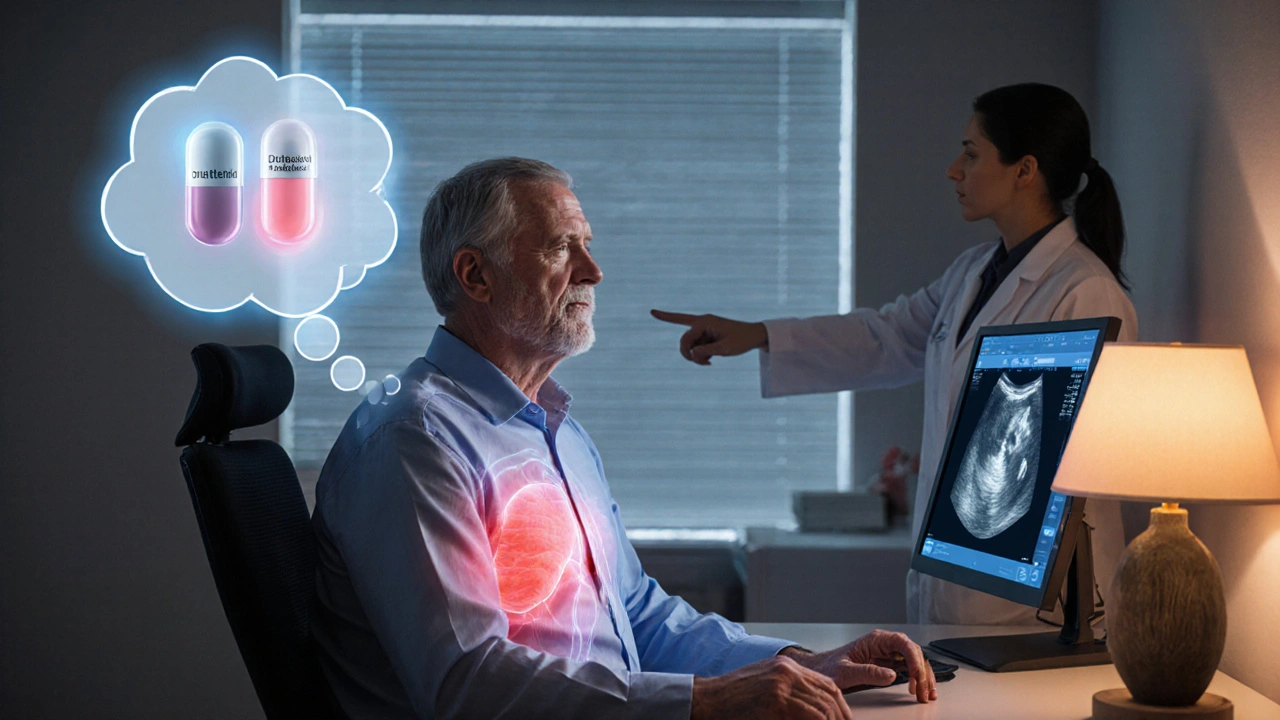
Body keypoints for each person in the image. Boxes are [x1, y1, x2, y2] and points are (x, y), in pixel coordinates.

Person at [310, 157, 937, 719]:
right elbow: (466, 684)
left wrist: (807, 662)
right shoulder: (414, 439)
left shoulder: (557, 432)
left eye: (587, 245)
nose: (595, 271)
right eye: (562, 248)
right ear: (475, 275)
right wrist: (708, 701)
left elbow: (637, 616)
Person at [653, 83, 1138, 626]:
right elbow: (886, 336)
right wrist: (758, 334)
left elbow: (1061, 466)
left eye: (972, 154)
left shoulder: (1083, 293)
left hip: (1036, 605)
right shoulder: (974, 273)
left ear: (1024, 170)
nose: (954, 170)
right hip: (958, 583)